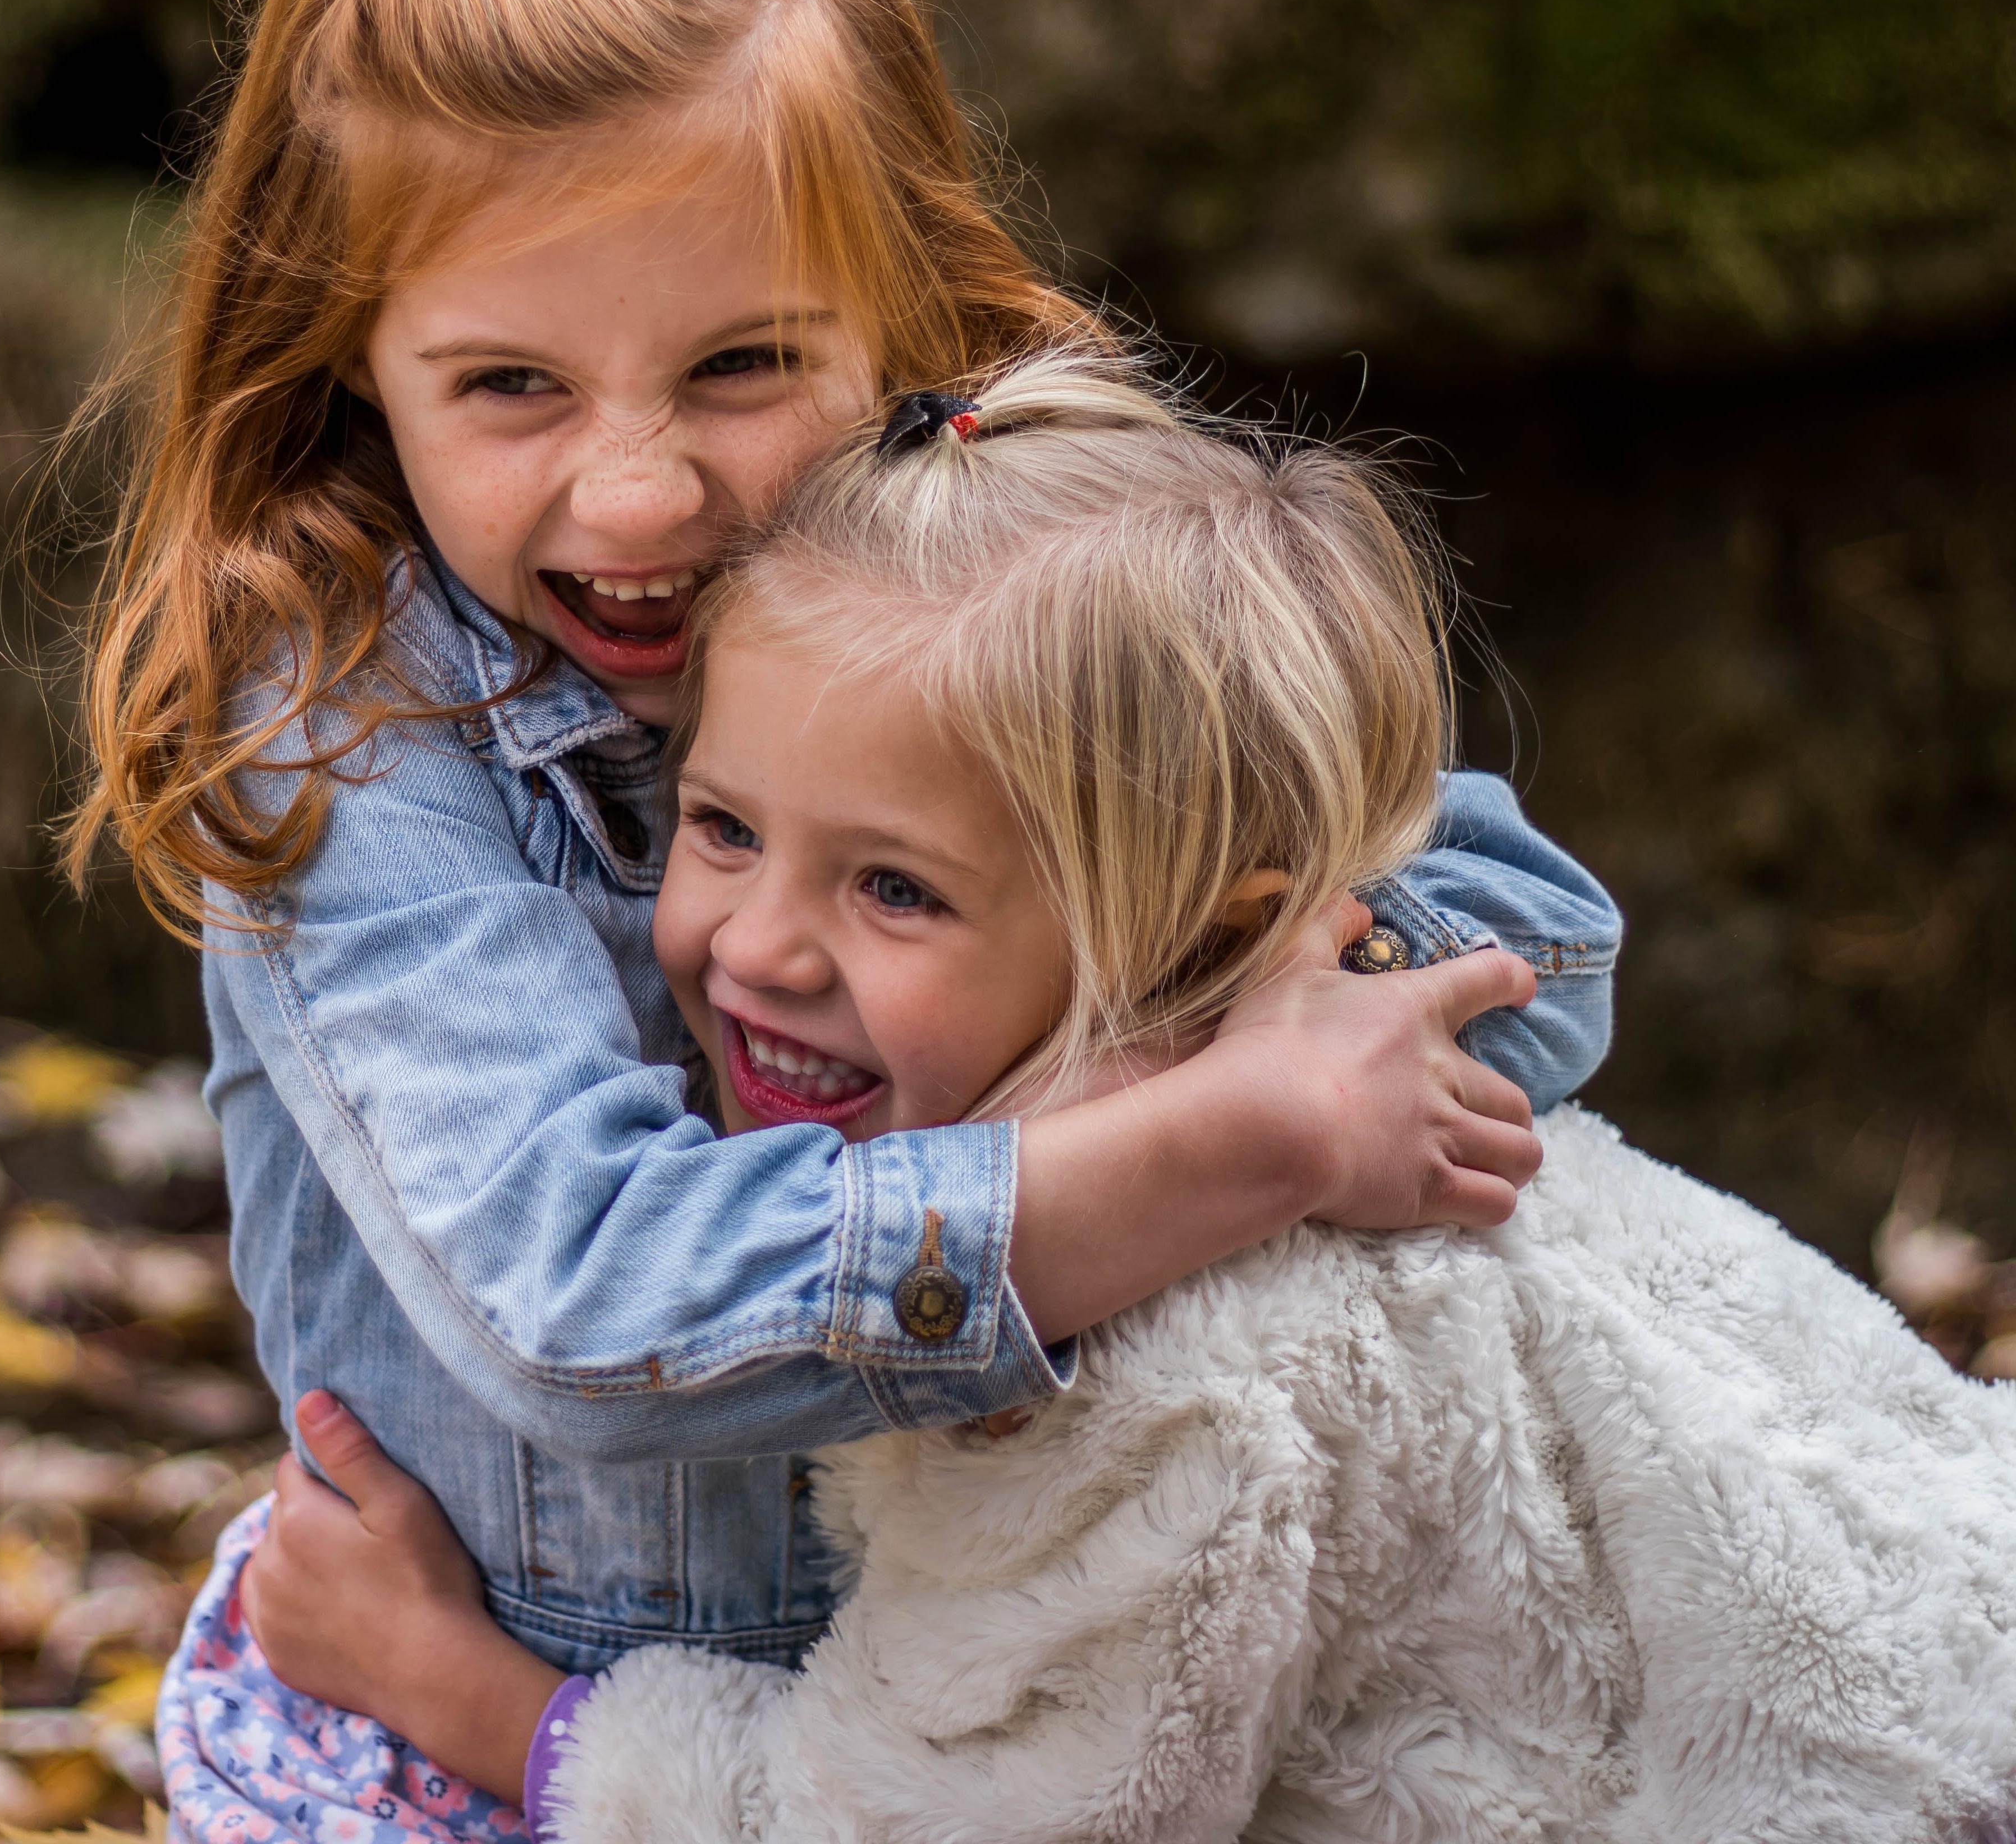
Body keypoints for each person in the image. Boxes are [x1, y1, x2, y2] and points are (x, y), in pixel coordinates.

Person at [66, 0, 1616, 1838]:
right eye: (510, 385)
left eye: (740, 370)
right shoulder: (352, 731)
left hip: (983, 1707)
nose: (640, 493)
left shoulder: (1006, 584)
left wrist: (1227, 1035)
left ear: (900, 306)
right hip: (485, 1725)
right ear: (351, 354)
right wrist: (1210, 1142)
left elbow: (1529, 940)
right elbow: (587, 1301)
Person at [237, 356, 2016, 1844]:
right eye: (722, 827)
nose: (755, 948)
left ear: (1197, 932)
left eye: (897, 891)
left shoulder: (1148, 1373)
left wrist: (472, 1701)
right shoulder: (1342, 1057)